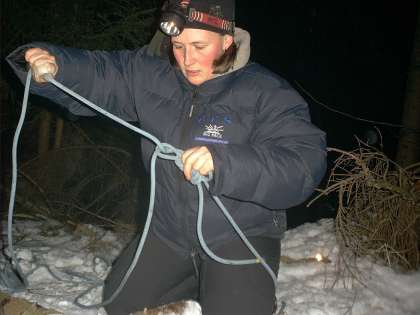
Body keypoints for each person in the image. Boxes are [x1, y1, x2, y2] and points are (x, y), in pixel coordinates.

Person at [7, 0, 327, 314]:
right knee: (121, 304)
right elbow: (101, 74)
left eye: (199, 46)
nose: (188, 59)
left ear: (227, 40)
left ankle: (237, 290)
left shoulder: (266, 92)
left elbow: (303, 164)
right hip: (169, 232)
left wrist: (226, 163)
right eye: (178, 46)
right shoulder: (152, 74)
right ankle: (197, 288)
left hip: (238, 235)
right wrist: (53, 62)